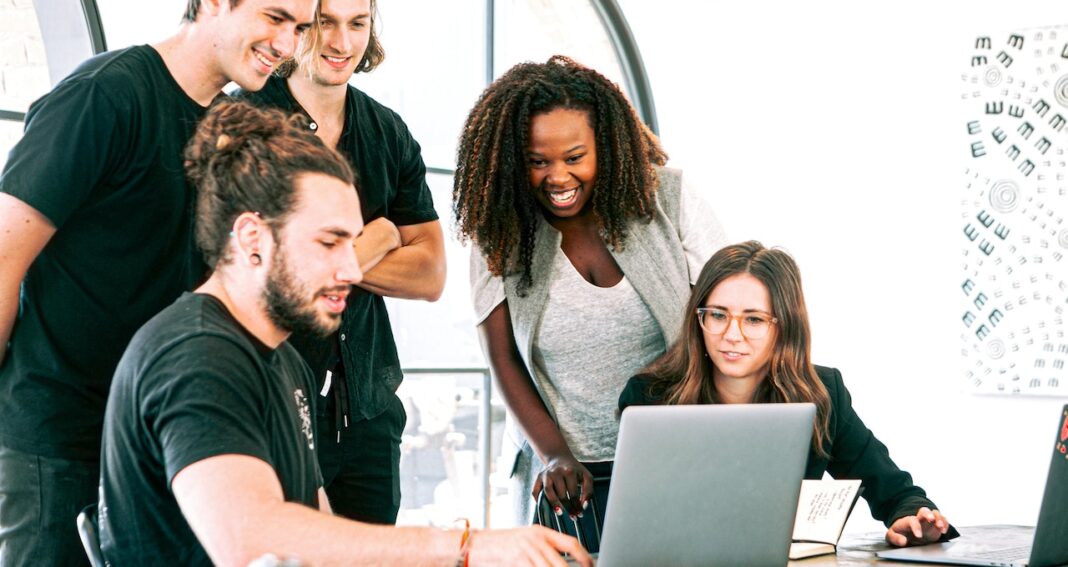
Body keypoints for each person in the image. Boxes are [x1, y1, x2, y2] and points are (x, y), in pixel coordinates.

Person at [98, 99, 590, 567]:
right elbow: (254, 542)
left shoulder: (283, 359)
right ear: (252, 238)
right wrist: (464, 547)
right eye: (330, 242)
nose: (352, 269)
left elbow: (319, 533)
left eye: (351, 243)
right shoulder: (197, 357)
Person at [0, 0, 314, 563]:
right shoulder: (104, 95)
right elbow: (3, 255)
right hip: (61, 439)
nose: (288, 46)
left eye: (299, 28)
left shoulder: (229, 126)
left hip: (160, 439)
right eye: (274, 17)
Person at [454, 55, 727, 525]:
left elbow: (726, 320)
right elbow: (502, 358)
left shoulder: (670, 198)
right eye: (538, 162)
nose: (558, 177)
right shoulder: (499, 229)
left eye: (575, 158)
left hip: (676, 456)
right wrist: (555, 455)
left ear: (607, 145)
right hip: (564, 476)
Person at [237, 0, 446, 524]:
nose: (342, 42)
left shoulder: (388, 131)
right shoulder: (244, 123)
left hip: (368, 412)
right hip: (272, 407)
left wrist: (320, 257)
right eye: (325, 23)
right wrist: (379, 236)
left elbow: (430, 273)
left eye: (358, 24)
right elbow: (251, 265)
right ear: (296, 26)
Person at [618, 241, 959, 547]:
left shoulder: (822, 394)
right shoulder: (650, 397)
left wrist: (912, 516)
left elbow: (893, 489)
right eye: (718, 315)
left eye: (753, 320)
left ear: (784, 326)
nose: (731, 335)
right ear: (698, 320)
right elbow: (635, 518)